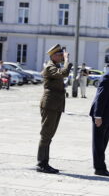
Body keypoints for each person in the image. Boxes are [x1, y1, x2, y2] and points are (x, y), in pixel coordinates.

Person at [36, 44, 73, 174]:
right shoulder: (50, 67)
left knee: (49, 135)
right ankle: (41, 163)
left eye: (62, 55)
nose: (62, 57)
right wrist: (67, 60)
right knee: (46, 134)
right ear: (53, 56)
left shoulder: (55, 66)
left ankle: (45, 162)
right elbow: (64, 73)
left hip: (55, 105)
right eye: (59, 55)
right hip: (50, 105)